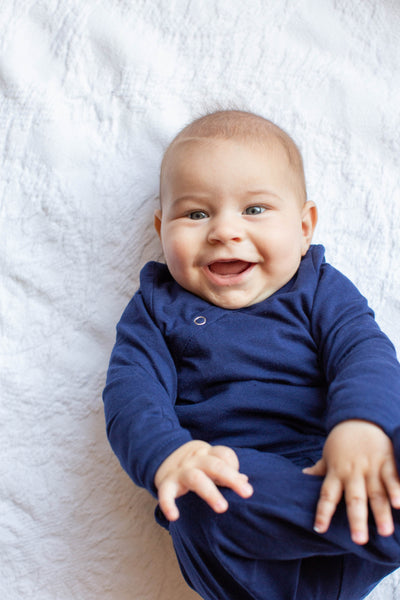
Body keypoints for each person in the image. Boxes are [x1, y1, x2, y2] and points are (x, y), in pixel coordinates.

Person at [103, 110, 400, 599]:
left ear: (305, 227)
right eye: (196, 214)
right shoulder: (157, 308)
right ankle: (376, 515)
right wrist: (169, 456)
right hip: (240, 526)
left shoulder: (319, 288)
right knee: (198, 493)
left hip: (337, 475)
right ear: (161, 229)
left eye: (255, 209)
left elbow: (364, 356)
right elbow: (130, 394)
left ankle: (371, 505)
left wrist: (361, 427)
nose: (224, 230)